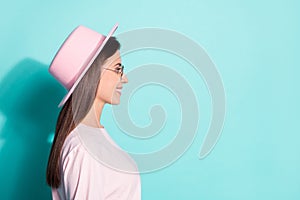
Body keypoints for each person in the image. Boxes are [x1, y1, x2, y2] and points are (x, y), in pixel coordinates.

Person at [46, 23, 141, 200]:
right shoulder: (84, 149)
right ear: (93, 73)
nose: (124, 78)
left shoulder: (90, 140)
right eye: (118, 69)